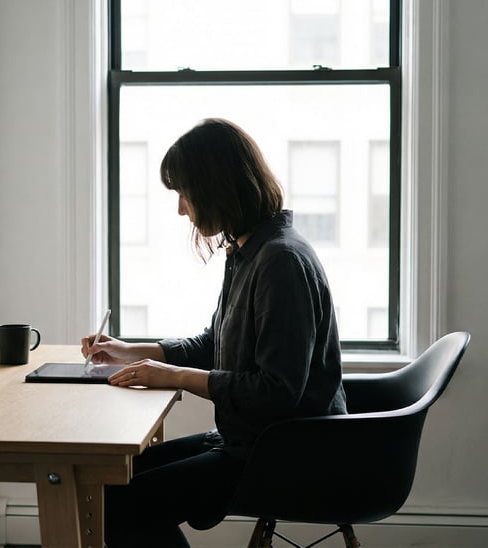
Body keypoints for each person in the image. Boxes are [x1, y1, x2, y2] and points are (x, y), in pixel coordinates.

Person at [82, 118, 347, 548]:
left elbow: (277, 391)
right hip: (249, 439)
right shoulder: (248, 251)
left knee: (122, 502)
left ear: (217, 188)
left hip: (285, 451)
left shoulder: (280, 262)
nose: (181, 209)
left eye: (184, 194)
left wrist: (174, 377)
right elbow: (214, 344)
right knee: (113, 480)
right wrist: (131, 352)